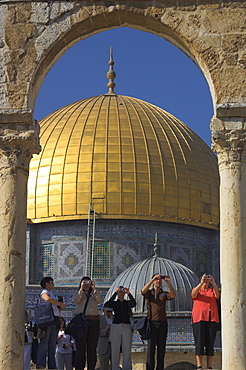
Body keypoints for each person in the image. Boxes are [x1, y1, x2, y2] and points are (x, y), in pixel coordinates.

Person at [141, 273, 176, 370]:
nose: (158, 281)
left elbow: (173, 295)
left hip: (162, 323)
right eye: (157, 279)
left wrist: (168, 283)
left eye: (159, 280)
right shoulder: (150, 293)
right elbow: (143, 291)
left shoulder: (163, 294)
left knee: (161, 348)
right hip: (152, 322)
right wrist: (152, 280)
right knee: (151, 348)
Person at [36, 277, 67, 369]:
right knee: (44, 343)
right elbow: (46, 299)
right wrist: (59, 304)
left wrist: (60, 306)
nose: (53, 284)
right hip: (47, 320)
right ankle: (40, 364)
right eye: (51, 283)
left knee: (52, 345)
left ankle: (52, 365)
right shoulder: (44, 292)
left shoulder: (52, 295)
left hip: (54, 320)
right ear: (47, 284)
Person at [191, 273, 220, 370]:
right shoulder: (197, 290)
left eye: (207, 281)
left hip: (211, 319)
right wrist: (201, 283)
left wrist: (213, 283)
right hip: (199, 319)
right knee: (199, 342)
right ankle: (199, 365)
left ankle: (209, 366)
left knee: (210, 342)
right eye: (205, 280)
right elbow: (193, 295)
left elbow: (218, 296)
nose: (206, 282)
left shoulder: (212, 291)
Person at [73, 276, 102, 370]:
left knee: (92, 347)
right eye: (84, 283)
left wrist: (94, 288)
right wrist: (81, 289)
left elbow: (99, 300)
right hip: (82, 322)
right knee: (80, 348)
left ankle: (91, 367)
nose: (86, 285)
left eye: (88, 283)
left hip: (93, 321)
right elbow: (76, 300)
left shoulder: (94, 294)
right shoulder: (79, 294)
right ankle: (79, 367)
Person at [105, 286, 136, 370]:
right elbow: (109, 303)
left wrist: (129, 293)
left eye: (122, 292)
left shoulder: (127, 303)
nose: (121, 293)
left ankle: (127, 367)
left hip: (126, 326)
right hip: (116, 326)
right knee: (115, 348)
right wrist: (115, 293)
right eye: (120, 292)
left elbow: (134, 303)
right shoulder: (115, 303)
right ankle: (115, 367)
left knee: (127, 348)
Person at [98, 305, 114, 370]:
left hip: (114, 345)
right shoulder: (100, 319)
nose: (109, 313)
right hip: (104, 346)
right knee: (103, 366)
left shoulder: (115, 319)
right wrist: (105, 330)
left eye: (111, 311)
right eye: (107, 311)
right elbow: (96, 331)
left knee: (114, 366)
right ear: (103, 311)